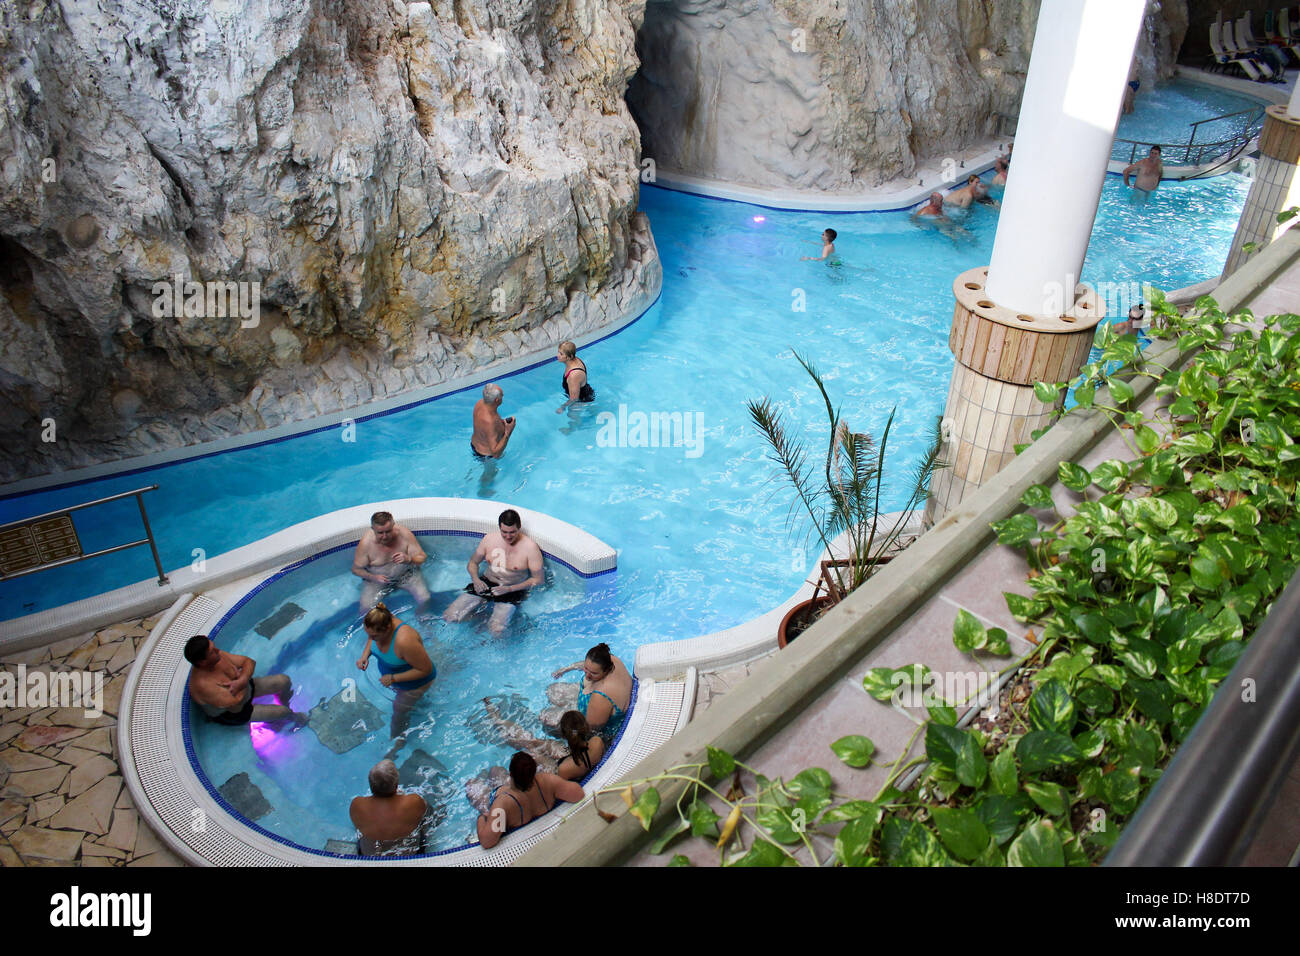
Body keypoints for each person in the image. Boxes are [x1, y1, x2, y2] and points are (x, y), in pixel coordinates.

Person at [442, 508, 544, 637]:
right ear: (499, 528)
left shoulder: (530, 548)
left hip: (512, 589)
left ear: (519, 528)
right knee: (449, 616)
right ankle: (483, 618)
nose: (508, 536)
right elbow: (473, 563)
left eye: (512, 532)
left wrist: (509, 588)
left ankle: (510, 628)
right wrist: (476, 580)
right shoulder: (489, 539)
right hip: (485, 582)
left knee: (497, 631)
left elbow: (538, 580)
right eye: (504, 532)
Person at [356, 603, 436, 745]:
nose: (370, 638)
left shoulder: (405, 641)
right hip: (395, 676)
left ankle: (397, 743)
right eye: (368, 634)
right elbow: (371, 637)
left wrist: (393, 678)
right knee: (410, 706)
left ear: (387, 629)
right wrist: (364, 656)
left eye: (374, 636)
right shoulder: (380, 620)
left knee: (398, 713)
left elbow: (426, 669)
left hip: (414, 684)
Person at [184, 635, 306, 727]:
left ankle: (284, 701)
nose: (217, 650)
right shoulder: (203, 685)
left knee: (284, 681)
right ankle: (292, 719)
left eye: (214, 647)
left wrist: (241, 679)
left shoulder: (218, 657)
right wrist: (243, 677)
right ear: (202, 662)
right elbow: (236, 704)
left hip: (244, 687)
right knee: (283, 712)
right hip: (235, 713)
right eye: (212, 651)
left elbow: (249, 662)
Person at [475, 752, 584, 850]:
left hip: (506, 801)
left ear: (511, 774)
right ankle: (487, 775)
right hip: (529, 795)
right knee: (496, 770)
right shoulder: (548, 781)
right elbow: (578, 793)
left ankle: (483, 776)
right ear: (534, 771)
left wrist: (482, 817)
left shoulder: (502, 805)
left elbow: (487, 842)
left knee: (473, 784)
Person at [481, 702, 607, 781]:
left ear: (563, 735)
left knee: (531, 748)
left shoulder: (563, 769)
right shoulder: (597, 742)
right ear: (585, 727)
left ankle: (497, 720)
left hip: (561, 769)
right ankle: (498, 721)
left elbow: (561, 783)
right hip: (577, 759)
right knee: (532, 742)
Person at [351, 511, 430, 612]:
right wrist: (374, 577)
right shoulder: (366, 544)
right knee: (365, 608)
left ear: (393, 525)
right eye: (380, 533)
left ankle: (421, 617)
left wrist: (409, 559)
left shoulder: (404, 534)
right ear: (373, 529)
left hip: (406, 575)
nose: (385, 536)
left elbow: (422, 558)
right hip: (377, 581)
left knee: (425, 598)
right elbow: (356, 570)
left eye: (388, 531)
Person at [552, 643, 632, 742]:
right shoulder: (611, 659)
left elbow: (589, 732)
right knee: (552, 690)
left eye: (594, 673)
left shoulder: (601, 697)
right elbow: (592, 665)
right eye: (586, 669)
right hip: (592, 704)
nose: (587, 676)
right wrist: (567, 669)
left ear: (606, 670)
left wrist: (568, 731)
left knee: (548, 720)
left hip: (600, 723)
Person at [350, 759, 429, 857]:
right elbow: (424, 811)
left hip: (369, 856)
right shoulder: (414, 801)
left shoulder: (357, 804)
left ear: (371, 785)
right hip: (410, 854)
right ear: (396, 785)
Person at [471, 383, 516, 459]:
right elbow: (496, 454)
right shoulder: (490, 422)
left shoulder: (479, 403)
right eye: (502, 395)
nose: (503, 396)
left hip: (475, 444)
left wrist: (501, 423)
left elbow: (484, 427)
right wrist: (508, 432)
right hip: (486, 456)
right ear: (496, 400)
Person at [555, 340, 595, 414]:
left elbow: (574, 399)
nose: (557, 355)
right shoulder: (575, 359)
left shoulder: (573, 375)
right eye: (558, 352)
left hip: (581, 401)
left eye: (561, 354)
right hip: (586, 392)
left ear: (569, 357)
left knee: (572, 419)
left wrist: (562, 407)